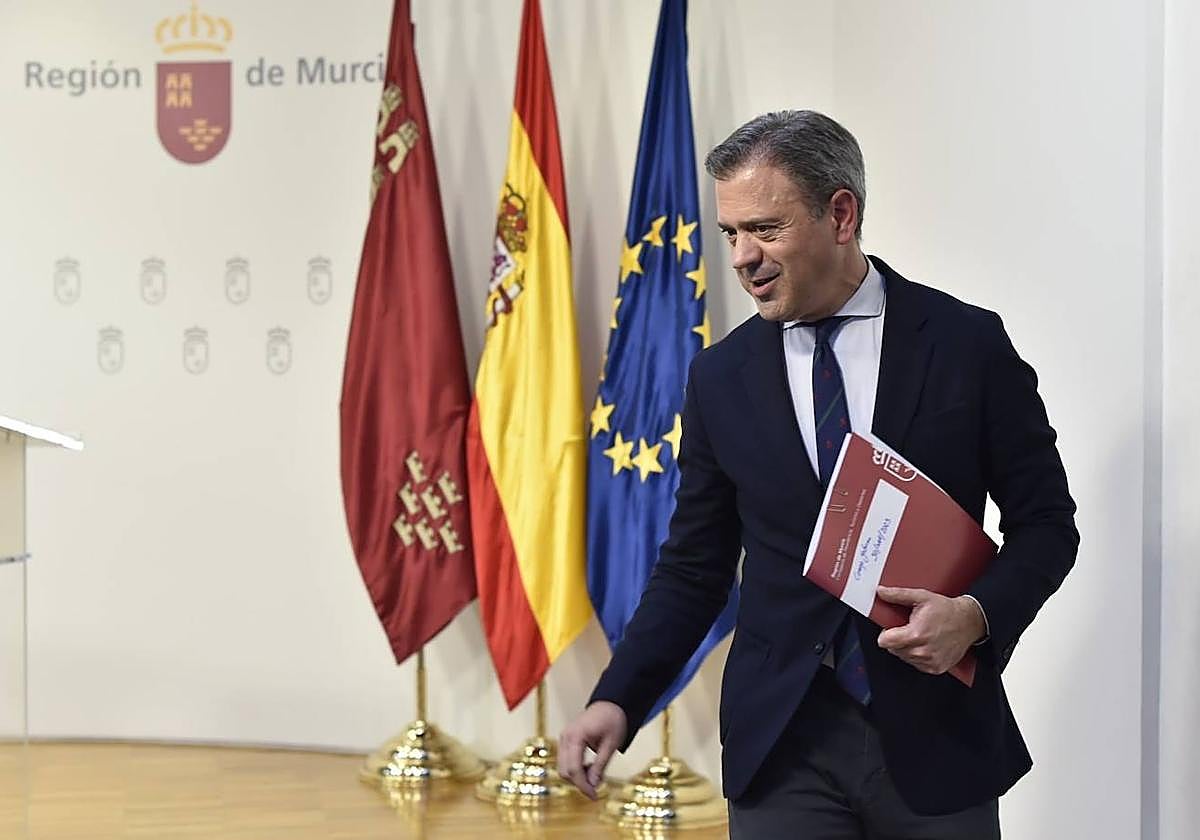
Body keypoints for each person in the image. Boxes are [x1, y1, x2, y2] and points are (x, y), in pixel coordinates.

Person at [557, 110, 1078, 839]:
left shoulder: (967, 345)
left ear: (841, 214)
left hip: (938, 739)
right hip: (781, 745)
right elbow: (694, 566)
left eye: (764, 228)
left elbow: (1047, 526)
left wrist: (976, 617)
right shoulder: (719, 378)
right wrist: (619, 697)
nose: (741, 256)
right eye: (731, 233)